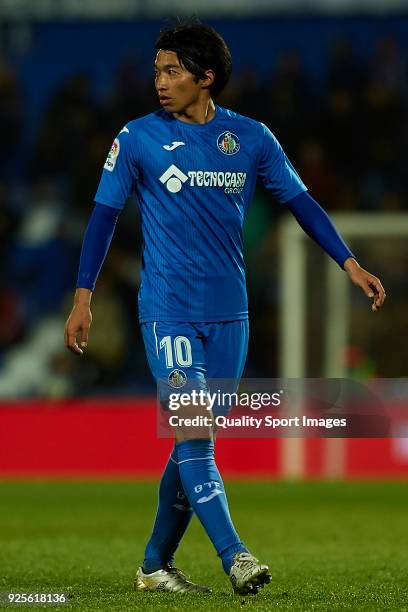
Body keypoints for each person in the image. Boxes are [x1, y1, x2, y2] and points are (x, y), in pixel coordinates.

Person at [64, 19, 386, 596]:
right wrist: (82, 295)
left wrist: (349, 262)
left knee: (195, 439)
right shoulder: (136, 137)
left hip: (230, 315)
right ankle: (235, 555)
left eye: (172, 71)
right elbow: (103, 218)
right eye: (157, 70)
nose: (159, 81)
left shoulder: (253, 139)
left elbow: (301, 201)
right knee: (194, 434)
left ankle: (154, 566)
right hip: (168, 309)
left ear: (205, 77)